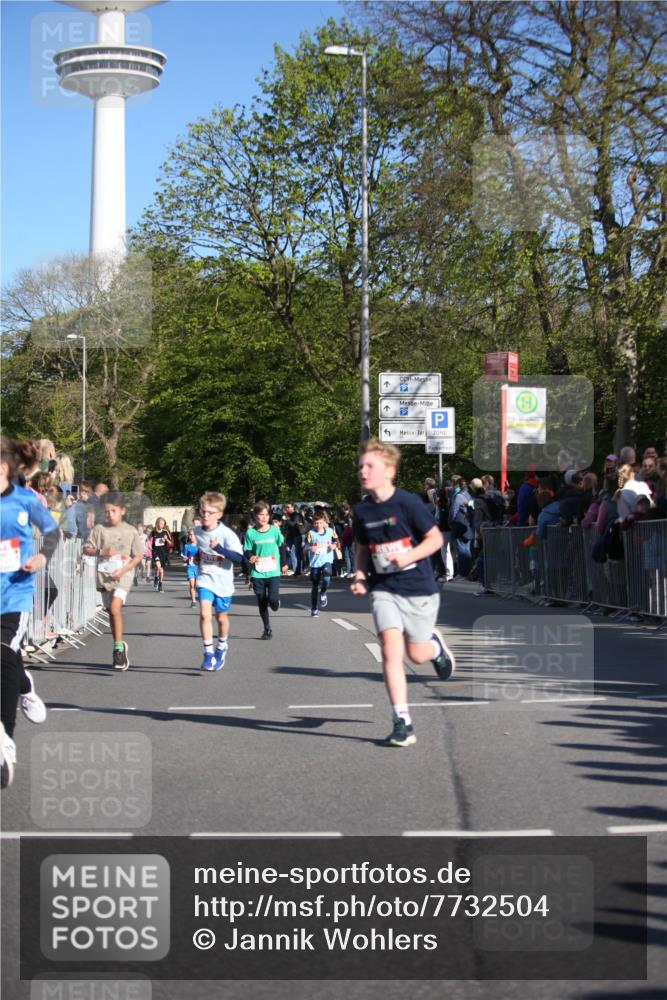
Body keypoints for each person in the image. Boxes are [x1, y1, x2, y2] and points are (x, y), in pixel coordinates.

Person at [350, 438, 456, 748]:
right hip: (384, 588)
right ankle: (402, 721)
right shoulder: (362, 510)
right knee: (390, 651)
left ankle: (434, 648)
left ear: (390, 471)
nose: (363, 471)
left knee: (417, 654)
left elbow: (435, 540)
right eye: (361, 466)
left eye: (370, 466)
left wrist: (408, 557)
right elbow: (362, 548)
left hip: (418, 588)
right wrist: (359, 574)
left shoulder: (408, 503)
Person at [1, 437, 57, 788]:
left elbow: (52, 532)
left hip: (14, 595)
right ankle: (25, 685)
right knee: (9, 664)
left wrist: (43, 556)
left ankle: (5, 737)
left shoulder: (25, 500)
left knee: (3, 653)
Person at [83, 492, 143, 671]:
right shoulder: (99, 529)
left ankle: (117, 649)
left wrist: (124, 569)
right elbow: (87, 549)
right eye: (107, 511)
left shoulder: (130, 530)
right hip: (105, 576)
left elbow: (138, 555)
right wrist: (101, 551)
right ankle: (120, 645)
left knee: (115, 608)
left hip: (123, 575)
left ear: (122, 511)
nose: (110, 515)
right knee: (111, 612)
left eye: (114, 511)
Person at [193, 492, 244, 671]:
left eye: (210, 512)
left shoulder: (227, 534)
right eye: (203, 511)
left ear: (220, 514)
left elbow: (239, 558)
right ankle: (208, 654)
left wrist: (219, 548)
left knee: (221, 618)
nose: (205, 515)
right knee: (205, 615)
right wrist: (197, 557)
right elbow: (199, 551)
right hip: (205, 579)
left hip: (223, 582)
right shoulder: (197, 531)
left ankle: (221, 646)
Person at [244, 501, 288, 639]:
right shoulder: (250, 533)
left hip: (273, 571)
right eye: (260, 515)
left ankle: (275, 604)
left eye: (266, 515)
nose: (263, 517)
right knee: (262, 600)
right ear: (255, 516)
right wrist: (251, 556)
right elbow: (247, 549)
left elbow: (281, 546)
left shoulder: (274, 530)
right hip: (257, 572)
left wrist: (284, 563)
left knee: (273, 600)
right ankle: (267, 628)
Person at [306, 510, 339, 617]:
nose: (318, 525)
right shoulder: (311, 533)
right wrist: (310, 548)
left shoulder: (330, 531)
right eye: (316, 523)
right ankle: (314, 608)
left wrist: (334, 546)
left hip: (327, 560)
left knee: (326, 577)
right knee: (315, 586)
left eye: (320, 522)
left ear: (324, 521)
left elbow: (337, 542)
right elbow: (304, 547)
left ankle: (323, 592)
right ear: (313, 523)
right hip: (315, 563)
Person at [149, 517, 173, 592]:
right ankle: (157, 580)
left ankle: (159, 582)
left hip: (163, 552)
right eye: (160, 523)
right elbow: (149, 541)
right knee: (158, 567)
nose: (161, 525)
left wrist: (166, 539)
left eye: (163, 524)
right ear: (157, 524)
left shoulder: (165, 532)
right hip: (155, 552)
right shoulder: (153, 532)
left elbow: (171, 543)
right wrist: (150, 548)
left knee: (161, 570)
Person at [181, 527, 199, 607]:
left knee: (197, 585)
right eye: (190, 535)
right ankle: (193, 601)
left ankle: (200, 599)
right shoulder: (187, 546)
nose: (191, 536)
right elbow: (184, 557)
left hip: (199, 568)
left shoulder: (201, 545)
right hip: (190, 567)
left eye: (192, 535)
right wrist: (185, 558)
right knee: (192, 585)